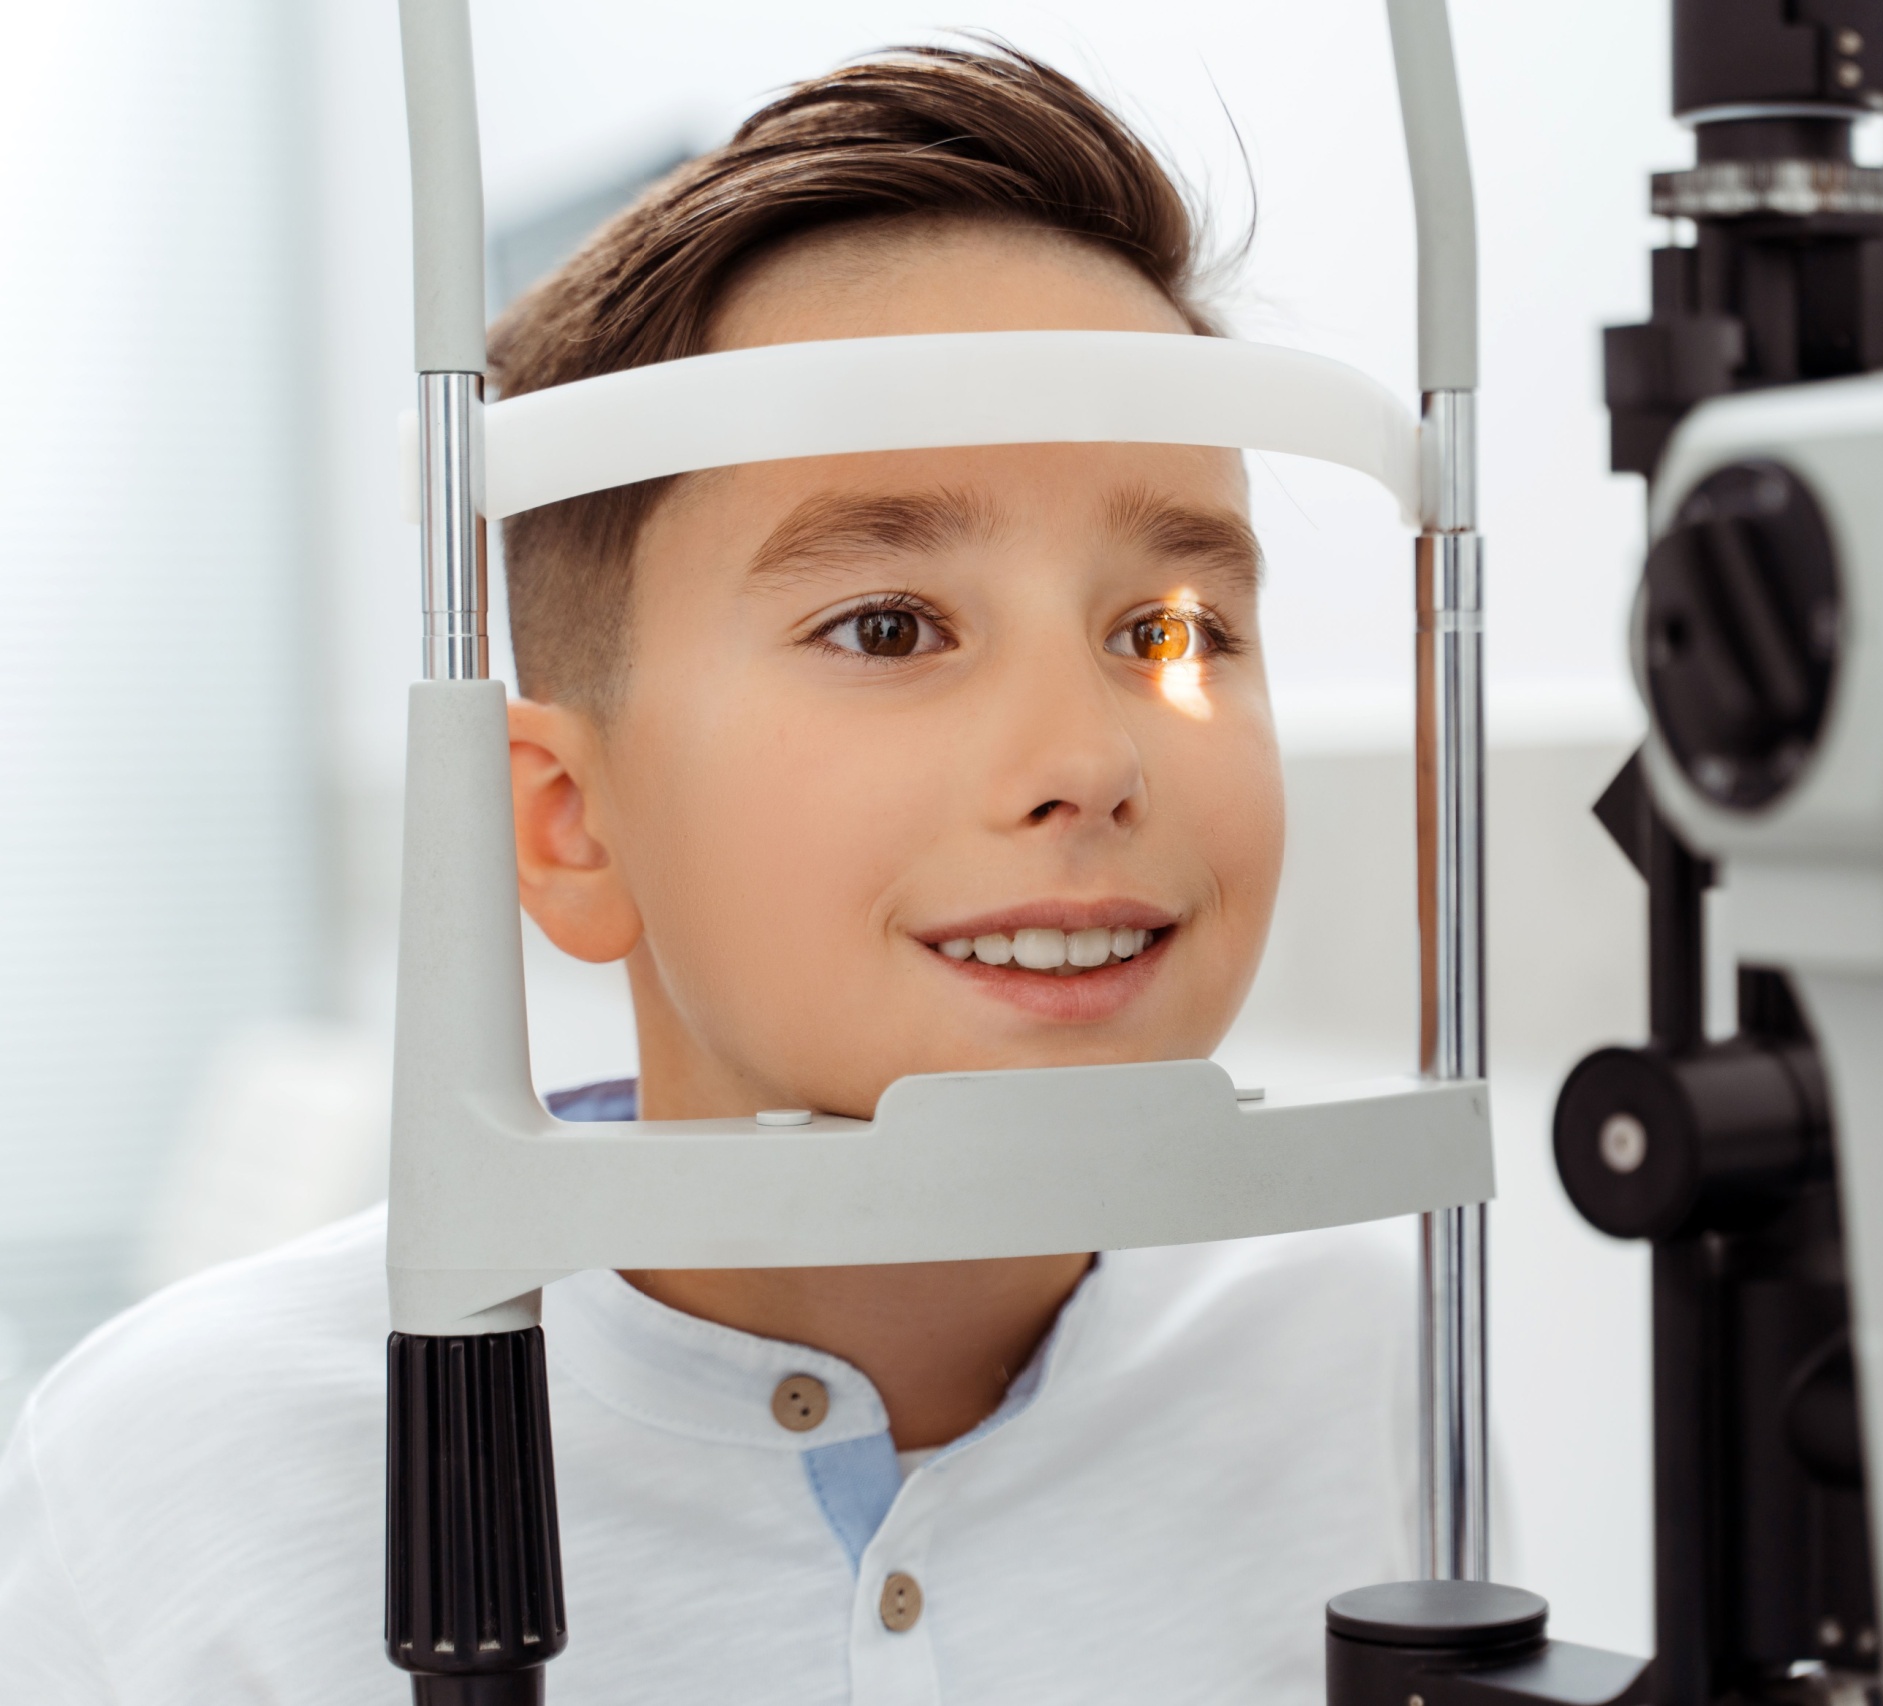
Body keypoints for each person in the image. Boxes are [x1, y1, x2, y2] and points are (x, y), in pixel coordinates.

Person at [0, 43, 1414, 1704]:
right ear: (566, 827)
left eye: (1166, 631)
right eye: (889, 626)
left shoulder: (1351, 1351)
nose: (1091, 760)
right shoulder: (183, 1477)